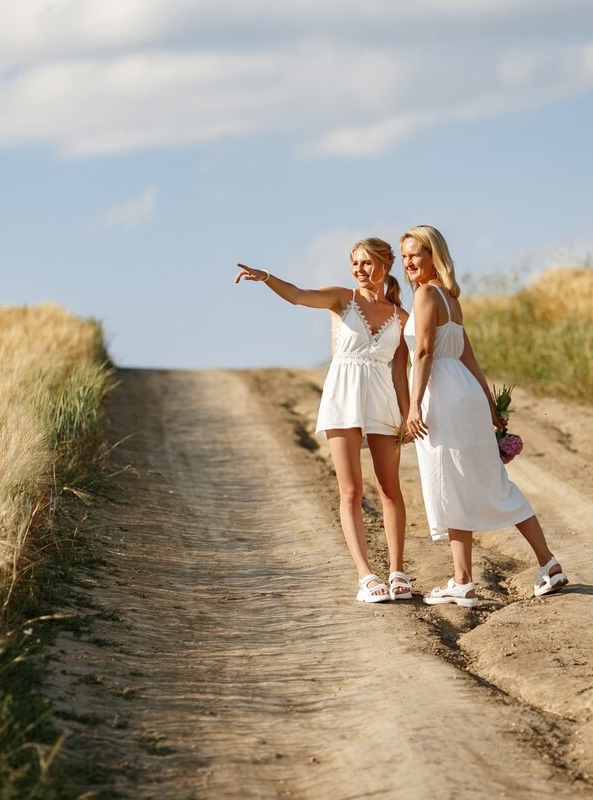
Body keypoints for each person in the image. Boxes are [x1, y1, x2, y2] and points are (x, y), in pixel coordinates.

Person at [236, 239, 413, 604]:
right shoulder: (341, 299)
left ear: (385, 265)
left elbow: (401, 374)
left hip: (382, 399)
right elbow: (299, 295)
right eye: (355, 263)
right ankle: (366, 576)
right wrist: (267, 277)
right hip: (343, 396)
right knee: (350, 490)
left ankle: (397, 571)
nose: (359, 269)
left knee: (390, 489)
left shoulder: (401, 317)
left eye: (367, 263)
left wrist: (408, 413)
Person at [400, 225, 568, 605]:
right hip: (465, 394)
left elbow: (425, 352)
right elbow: (467, 356)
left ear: (433, 256)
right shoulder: (450, 298)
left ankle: (464, 580)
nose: (409, 262)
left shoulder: (427, 294)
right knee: (492, 481)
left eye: (416, 254)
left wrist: (413, 405)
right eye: (405, 256)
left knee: (448, 482)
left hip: (441, 393)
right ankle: (543, 564)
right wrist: (489, 406)